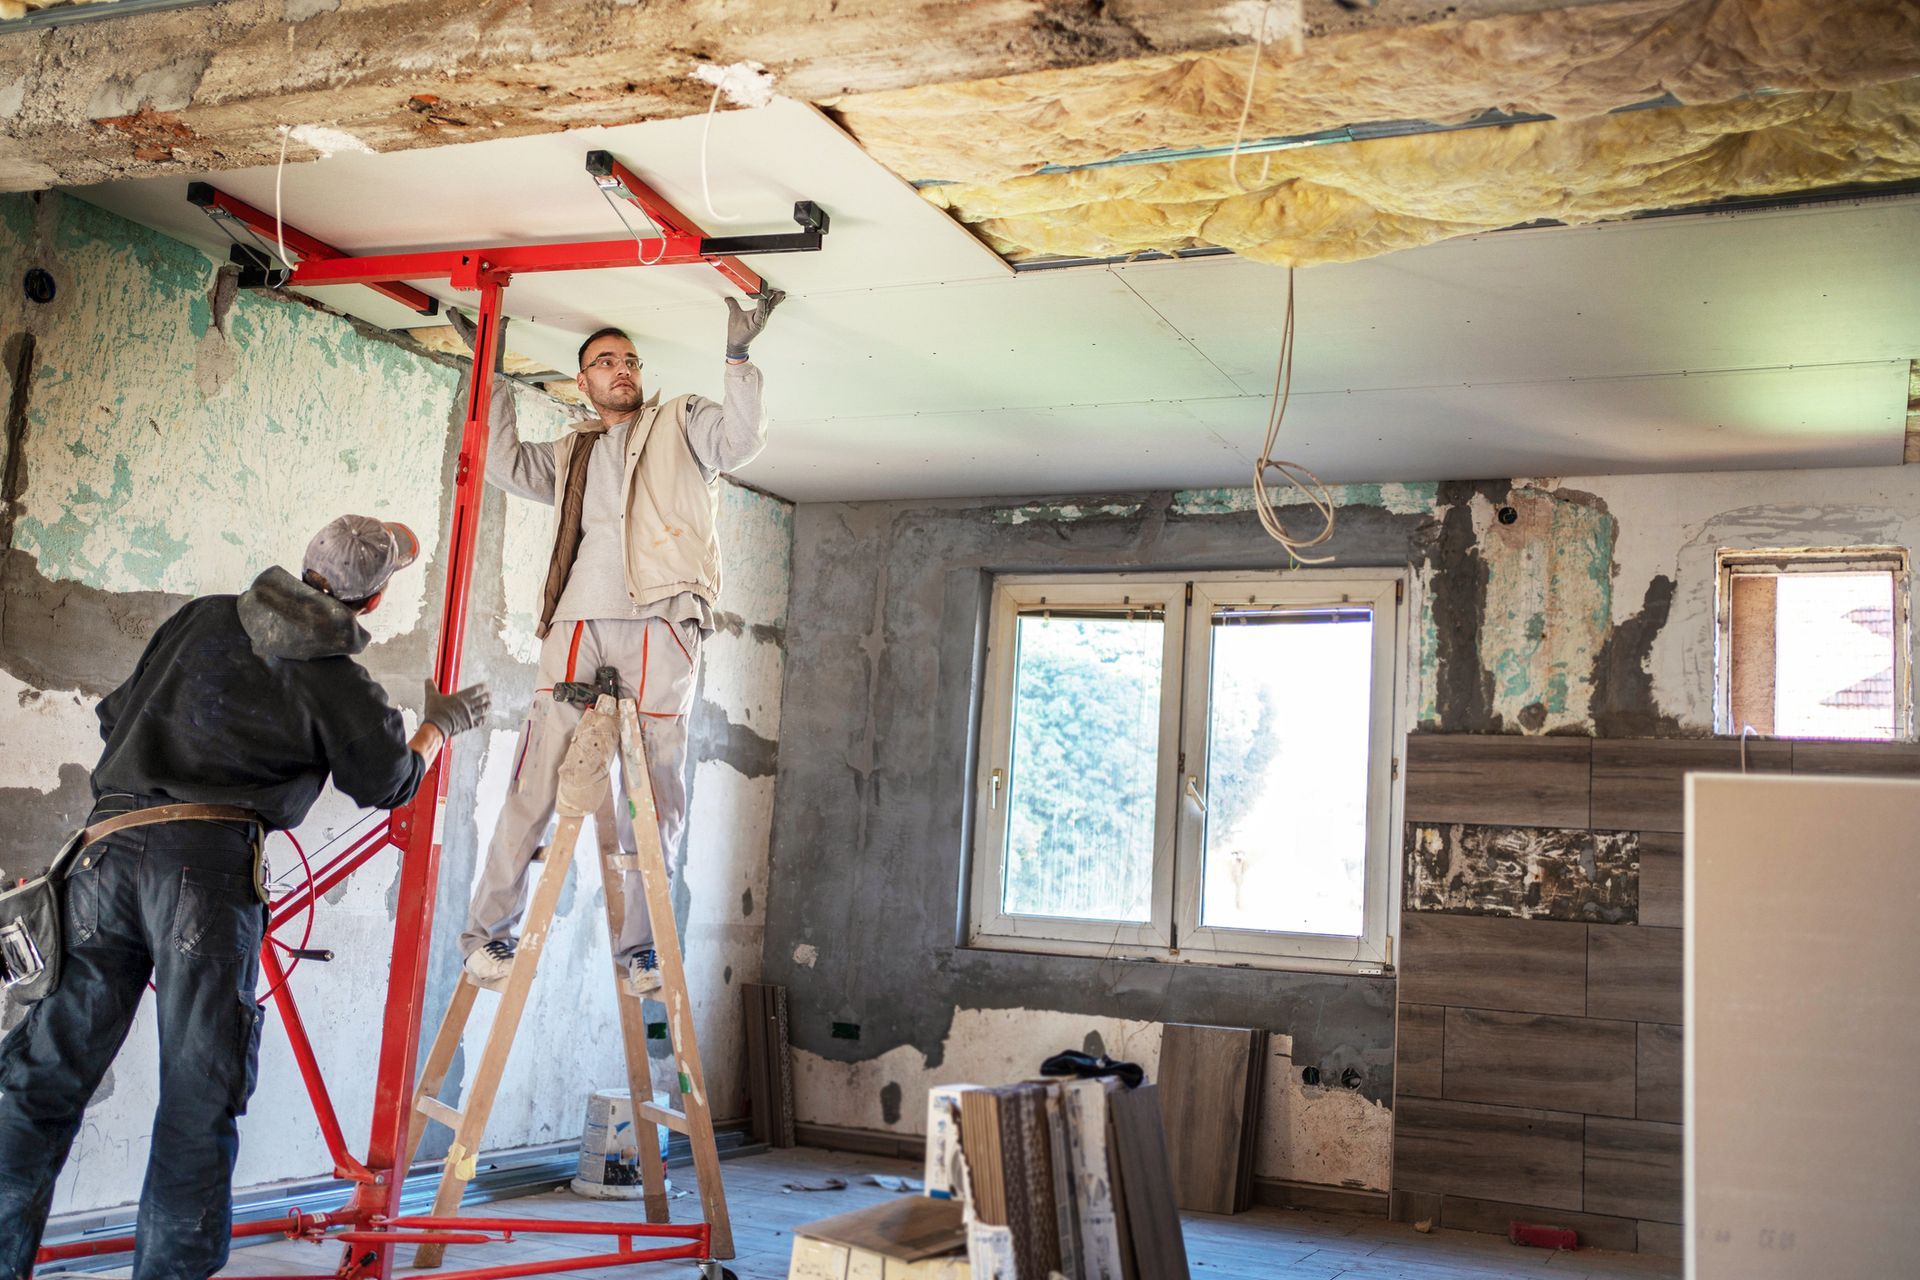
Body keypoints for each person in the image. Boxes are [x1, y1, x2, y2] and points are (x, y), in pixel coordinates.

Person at [0, 515, 490, 1280]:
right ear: (376, 600)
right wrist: (437, 727)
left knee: (40, 1086)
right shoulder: (335, 674)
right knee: (198, 1102)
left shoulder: (203, 616)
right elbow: (389, 783)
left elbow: (112, 716)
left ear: (303, 565)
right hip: (205, 876)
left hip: (103, 855)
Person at [453, 290, 782, 997]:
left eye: (629, 359)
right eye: (605, 361)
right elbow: (503, 462)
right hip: (578, 622)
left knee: (655, 792)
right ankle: (486, 938)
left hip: (663, 620)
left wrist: (738, 356)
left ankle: (643, 954)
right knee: (536, 780)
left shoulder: (679, 422)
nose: (622, 368)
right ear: (583, 382)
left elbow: (742, 440)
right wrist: (491, 369)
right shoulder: (574, 449)